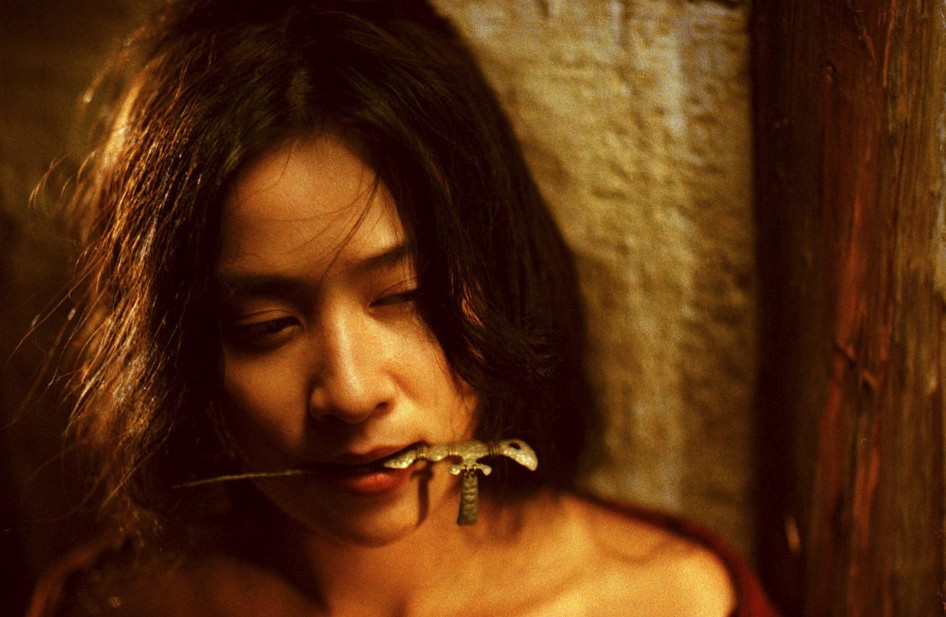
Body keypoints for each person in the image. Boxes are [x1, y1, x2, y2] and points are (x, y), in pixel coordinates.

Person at [26, 1, 778, 615]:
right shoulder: (108, 604)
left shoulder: (671, 600)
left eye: (408, 296)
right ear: (179, 353)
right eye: (265, 328)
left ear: (503, 276)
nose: (352, 392)